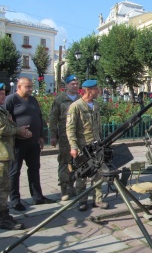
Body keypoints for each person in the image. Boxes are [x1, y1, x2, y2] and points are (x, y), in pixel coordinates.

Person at [5, 77, 56, 211]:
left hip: (33, 143)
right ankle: (15, 200)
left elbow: (39, 117)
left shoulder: (33, 99)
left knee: (34, 169)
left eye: (31, 86)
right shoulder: (11, 100)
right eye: (27, 86)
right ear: (19, 87)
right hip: (17, 143)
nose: (30, 89)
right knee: (14, 171)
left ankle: (38, 197)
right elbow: (5, 119)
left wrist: (41, 136)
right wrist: (17, 131)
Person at [66, 80, 109, 211]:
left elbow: (98, 125)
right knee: (82, 174)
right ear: (89, 91)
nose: (99, 91)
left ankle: (98, 199)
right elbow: (70, 128)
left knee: (98, 173)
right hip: (82, 146)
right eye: (97, 89)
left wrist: (102, 141)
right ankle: (82, 200)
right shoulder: (76, 106)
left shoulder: (95, 105)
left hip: (96, 145)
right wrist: (73, 146)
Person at [0, 83, 32, 229]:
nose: (3, 96)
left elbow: (10, 125)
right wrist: (18, 130)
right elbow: (3, 128)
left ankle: (4, 214)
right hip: (1, 155)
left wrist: (18, 129)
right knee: (2, 187)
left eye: (3, 93)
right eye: (0, 94)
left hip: (5, 153)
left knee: (4, 186)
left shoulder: (2, 110)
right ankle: (2, 218)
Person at [49, 75, 80, 201]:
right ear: (66, 85)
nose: (75, 85)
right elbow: (52, 119)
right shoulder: (60, 99)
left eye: (77, 83)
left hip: (78, 136)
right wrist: (53, 135)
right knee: (64, 162)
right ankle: (64, 189)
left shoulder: (80, 99)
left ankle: (72, 186)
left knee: (76, 163)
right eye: (73, 83)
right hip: (64, 136)